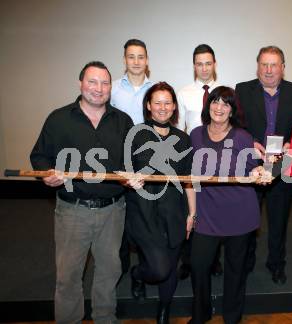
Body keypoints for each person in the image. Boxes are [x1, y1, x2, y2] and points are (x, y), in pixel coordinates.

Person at [30, 61, 133, 324]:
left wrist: (132, 175)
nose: (99, 89)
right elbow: (39, 156)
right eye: (92, 82)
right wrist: (47, 175)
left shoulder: (123, 121)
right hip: (72, 211)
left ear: (111, 87)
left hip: (113, 211)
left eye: (105, 83)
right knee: (68, 277)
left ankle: (105, 318)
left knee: (109, 272)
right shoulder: (59, 118)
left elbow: (131, 162)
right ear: (81, 84)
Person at [188, 86, 269, 324]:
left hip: (238, 213)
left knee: (235, 271)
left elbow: (253, 169)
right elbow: (190, 174)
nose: (219, 108)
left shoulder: (243, 137)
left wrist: (260, 172)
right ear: (208, 105)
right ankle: (201, 313)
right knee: (199, 266)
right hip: (206, 212)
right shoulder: (194, 134)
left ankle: (232, 317)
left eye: (226, 104)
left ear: (232, 110)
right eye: (215, 102)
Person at [235, 46, 292, 284]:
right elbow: (235, 126)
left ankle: (276, 264)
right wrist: (251, 141)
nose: (269, 70)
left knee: (279, 222)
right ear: (257, 66)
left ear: (283, 68)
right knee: (248, 220)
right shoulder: (242, 90)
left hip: (283, 167)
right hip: (252, 164)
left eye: (274, 65)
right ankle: (245, 262)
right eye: (264, 64)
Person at [125, 82, 195, 324]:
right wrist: (129, 181)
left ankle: (164, 310)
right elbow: (123, 171)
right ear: (148, 105)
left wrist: (192, 214)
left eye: (168, 102)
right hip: (143, 212)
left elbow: (189, 181)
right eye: (157, 102)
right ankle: (137, 273)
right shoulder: (135, 134)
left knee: (171, 265)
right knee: (159, 268)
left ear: (174, 106)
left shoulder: (183, 139)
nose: (163, 108)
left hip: (174, 210)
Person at [111, 38, 154, 300]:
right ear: (124, 59)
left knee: (146, 219)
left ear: (147, 60)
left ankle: (143, 270)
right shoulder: (112, 89)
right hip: (120, 162)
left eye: (141, 57)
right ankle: (120, 268)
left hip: (149, 162)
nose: (136, 62)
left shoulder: (157, 90)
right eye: (131, 57)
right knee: (120, 220)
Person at [176, 44, 223, 280]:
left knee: (215, 209)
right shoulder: (184, 93)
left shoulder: (226, 91)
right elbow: (180, 129)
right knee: (191, 210)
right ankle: (188, 260)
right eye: (199, 63)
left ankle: (213, 259)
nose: (204, 68)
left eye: (208, 63)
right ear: (194, 66)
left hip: (219, 160)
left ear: (214, 64)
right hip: (193, 159)